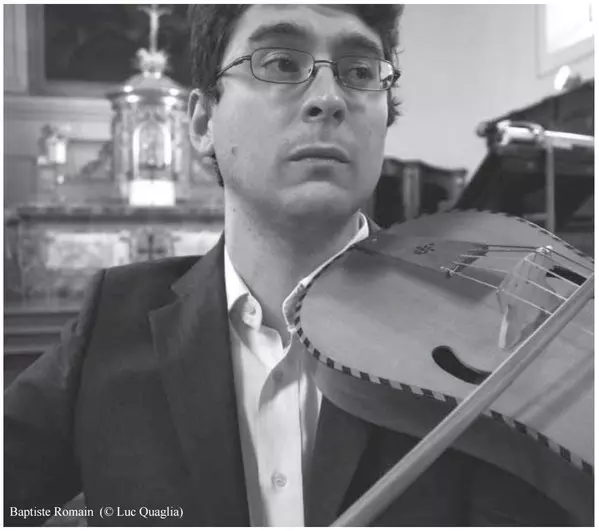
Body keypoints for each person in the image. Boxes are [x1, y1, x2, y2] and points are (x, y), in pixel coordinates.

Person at [5, 5, 576, 527]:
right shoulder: (111, 322)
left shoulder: (495, 337)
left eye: (359, 72)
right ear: (203, 123)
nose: (329, 98)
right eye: (280, 62)